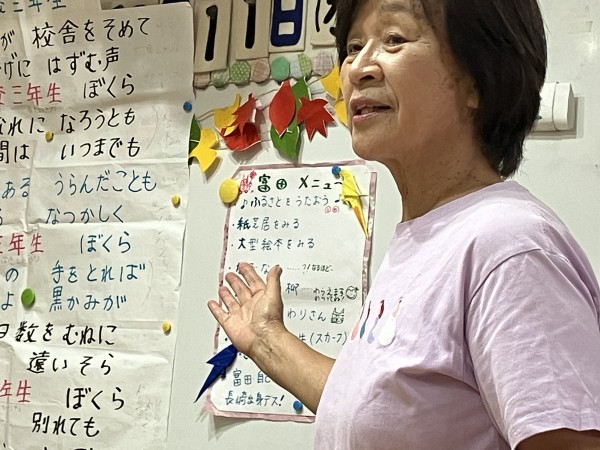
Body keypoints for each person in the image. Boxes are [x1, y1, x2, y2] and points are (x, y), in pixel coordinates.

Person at [208, 0, 600, 448]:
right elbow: (384, 413)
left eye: (393, 39)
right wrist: (266, 339)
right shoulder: (432, 234)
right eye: (353, 47)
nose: (358, 69)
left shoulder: (508, 247)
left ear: (477, 79)